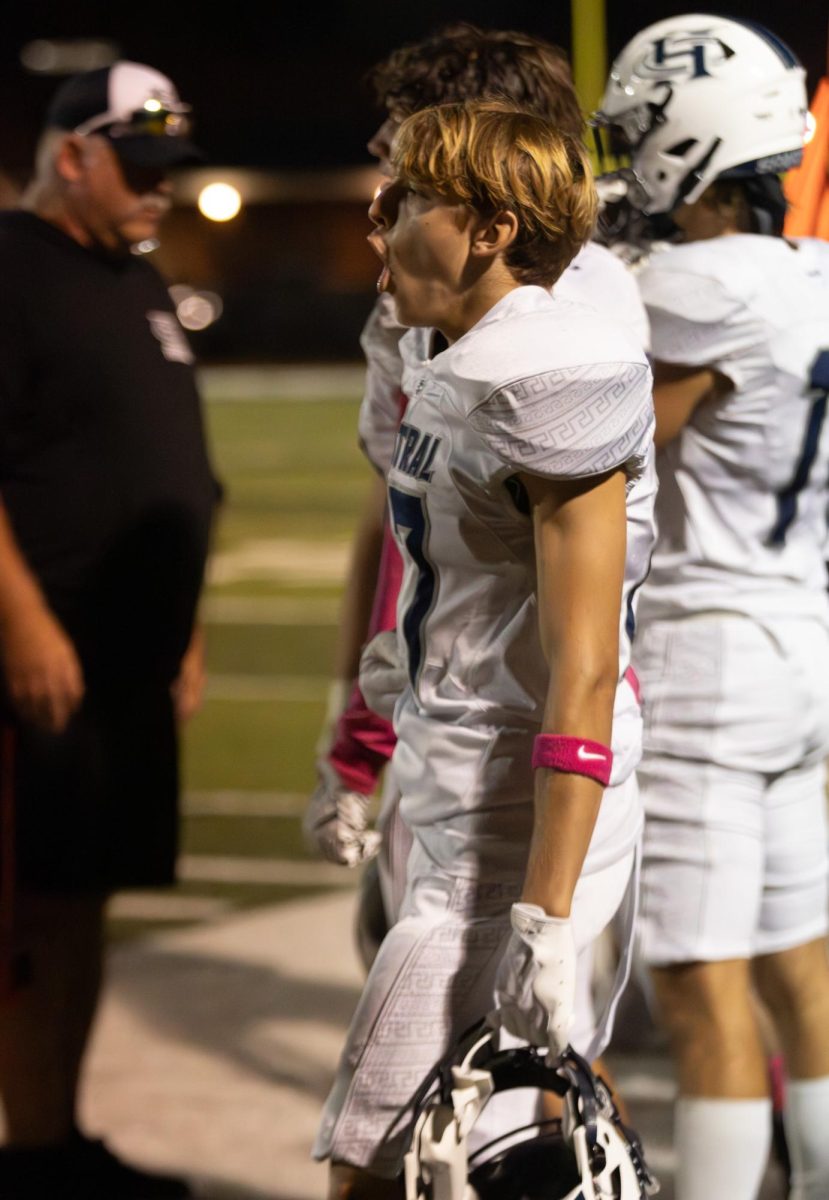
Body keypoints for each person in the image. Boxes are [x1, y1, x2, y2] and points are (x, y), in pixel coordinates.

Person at [312, 98, 656, 1198]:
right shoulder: (452, 348)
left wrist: (546, 914)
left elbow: (586, 662)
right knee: (477, 1152)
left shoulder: (550, 368)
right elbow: (438, 594)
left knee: (372, 1153)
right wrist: (368, 735)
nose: (377, 220)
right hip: (453, 783)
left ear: (491, 227)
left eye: (404, 198)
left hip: (509, 827)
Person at [305, 22, 650, 943]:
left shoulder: (557, 332)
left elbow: (567, 598)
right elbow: (404, 527)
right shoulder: (428, 307)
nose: (380, 169)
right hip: (454, 707)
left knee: (516, 994)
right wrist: (360, 728)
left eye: (406, 148)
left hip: (521, 729)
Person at [596, 15, 829, 1200]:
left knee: (700, 989)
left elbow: (606, 439)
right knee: (802, 971)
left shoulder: (692, 285)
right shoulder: (809, 270)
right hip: (798, 641)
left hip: (709, 654)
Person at [0, 61, 218, 1198]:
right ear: (69, 153)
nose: (160, 191)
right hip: (47, 660)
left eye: (168, 170)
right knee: (31, 912)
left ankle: (54, 1139)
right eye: (137, 167)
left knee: (82, 904)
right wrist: (24, 622)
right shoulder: (14, 267)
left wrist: (182, 634)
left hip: (124, 666)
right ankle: (29, 1149)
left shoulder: (129, 278)